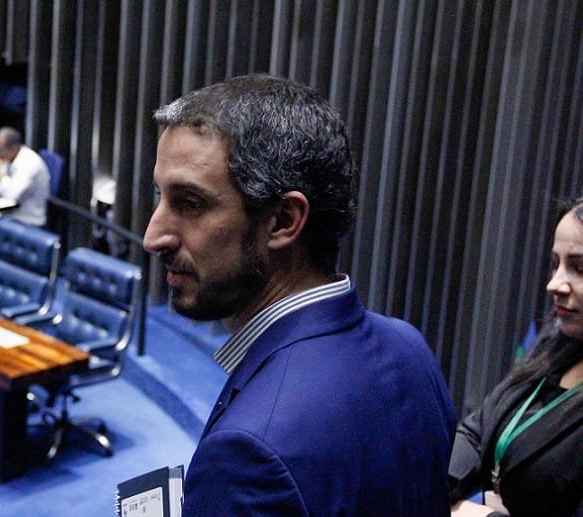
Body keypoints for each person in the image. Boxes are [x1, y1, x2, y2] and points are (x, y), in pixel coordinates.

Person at [142, 73, 457, 515]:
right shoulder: (408, 347)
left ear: (283, 221)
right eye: (160, 196)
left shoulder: (249, 454)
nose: (153, 236)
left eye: (190, 204)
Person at [448, 200, 583, 517]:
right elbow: (479, 430)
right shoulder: (556, 340)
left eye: (579, 268)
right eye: (555, 264)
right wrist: (435, 483)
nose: (554, 284)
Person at [0, 127, 50, 227]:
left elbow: (12, 196)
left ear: (12, 149)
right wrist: (0, 176)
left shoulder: (30, 164)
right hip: (6, 215)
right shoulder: (8, 157)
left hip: (27, 221)